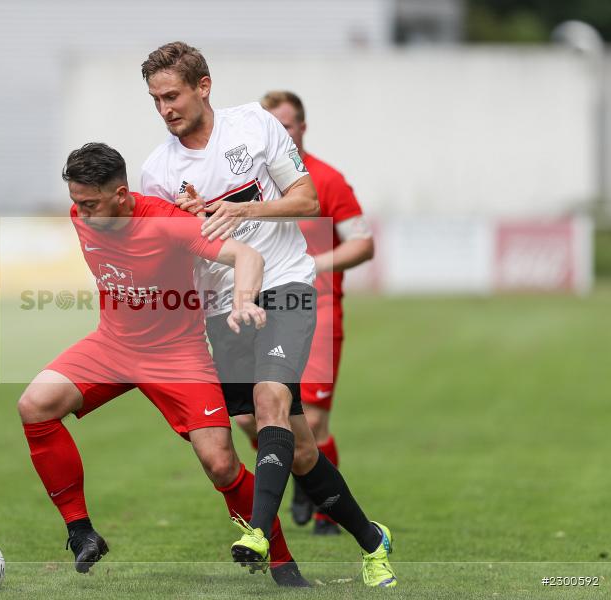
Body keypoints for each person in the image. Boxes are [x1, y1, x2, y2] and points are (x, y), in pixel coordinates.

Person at [140, 41, 397, 587]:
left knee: (269, 398)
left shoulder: (254, 127)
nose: (165, 108)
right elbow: (171, 251)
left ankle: (258, 532)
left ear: (203, 86)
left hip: (285, 284)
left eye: (173, 95)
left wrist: (243, 208)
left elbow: (306, 200)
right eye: (155, 99)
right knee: (294, 445)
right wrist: (188, 227)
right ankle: (373, 541)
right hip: (220, 307)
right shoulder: (157, 170)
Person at [17, 142, 310, 587]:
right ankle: (81, 532)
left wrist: (245, 300)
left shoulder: (167, 222)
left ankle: (282, 564)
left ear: (121, 194)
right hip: (111, 346)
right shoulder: (84, 215)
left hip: (176, 355)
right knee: (35, 404)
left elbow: (247, 256)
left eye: (91, 203)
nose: (81, 213)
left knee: (220, 464)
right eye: (76, 202)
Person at [234, 91, 375, 536]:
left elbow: (362, 242)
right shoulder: (247, 180)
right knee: (246, 415)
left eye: (288, 125)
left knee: (310, 419)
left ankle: (318, 506)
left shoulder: (326, 180)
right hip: (257, 306)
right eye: (272, 125)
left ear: (302, 129)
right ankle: (298, 466)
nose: (281, 132)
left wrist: (319, 263)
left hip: (317, 305)